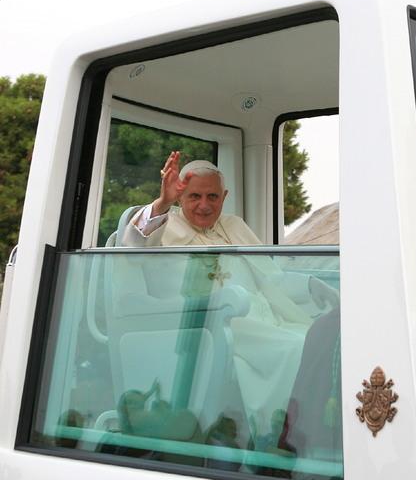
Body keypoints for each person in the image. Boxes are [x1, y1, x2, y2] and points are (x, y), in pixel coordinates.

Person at [120, 152, 336, 429]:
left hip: (268, 319)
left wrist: (310, 285)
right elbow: (131, 245)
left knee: (322, 342)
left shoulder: (234, 226)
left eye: (212, 196)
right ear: (181, 196)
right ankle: (287, 433)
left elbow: (271, 279)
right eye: (194, 196)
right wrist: (163, 202)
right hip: (209, 324)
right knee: (296, 348)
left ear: (224, 197)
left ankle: (322, 428)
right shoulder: (163, 224)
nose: (204, 205)